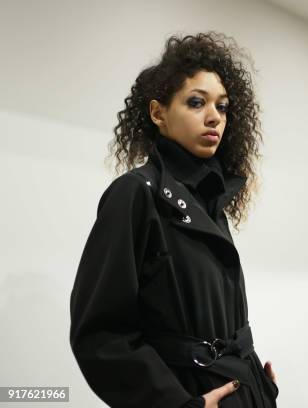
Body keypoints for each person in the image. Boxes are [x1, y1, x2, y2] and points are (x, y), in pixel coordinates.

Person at [70, 33, 278, 408]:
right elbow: (101, 335)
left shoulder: (212, 199)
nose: (214, 116)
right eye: (196, 103)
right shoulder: (136, 193)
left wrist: (257, 383)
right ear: (158, 113)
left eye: (223, 106)